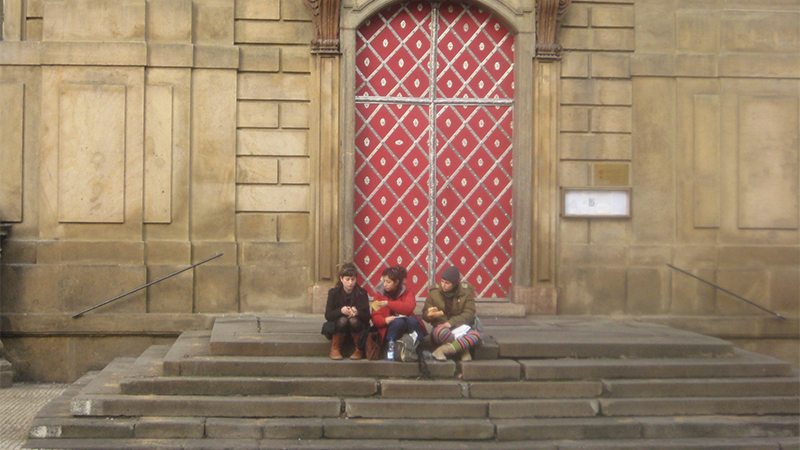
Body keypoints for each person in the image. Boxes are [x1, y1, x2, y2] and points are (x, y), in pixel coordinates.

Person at [422, 266, 482, 361]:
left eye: (447, 283)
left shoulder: (466, 293)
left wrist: (451, 323)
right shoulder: (434, 293)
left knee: (476, 335)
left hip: (460, 328)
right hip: (440, 329)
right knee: (443, 332)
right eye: (442, 281)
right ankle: (464, 350)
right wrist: (430, 314)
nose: (443, 285)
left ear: (454, 284)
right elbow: (425, 315)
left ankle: (442, 350)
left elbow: (469, 313)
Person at [371, 266, 426, 360]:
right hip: (391, 327)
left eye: (388, 282)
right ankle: (389, 349)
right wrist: (385, 320)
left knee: (413, 320)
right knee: (398, 322)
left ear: (396, 282)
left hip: (407, 324)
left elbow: (409, 308)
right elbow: (375, 317)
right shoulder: (379, 295)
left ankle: (418, 349)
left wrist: (389, 304)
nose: (385, 284)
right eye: (384, 281)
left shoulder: (408, 291)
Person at [324, 262, 371, 360]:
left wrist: (357, 312)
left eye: (353, 279)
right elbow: (328, 315)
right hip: (338, 327)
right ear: (341, 279)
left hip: (357, 327)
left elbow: (367, 317)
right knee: (343, 320)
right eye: (347, 279)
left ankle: (359, 349)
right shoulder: (333, 293)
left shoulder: (362, 293)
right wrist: (340, 311)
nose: (350, 282)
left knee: (352, 320)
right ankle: (335, 348)